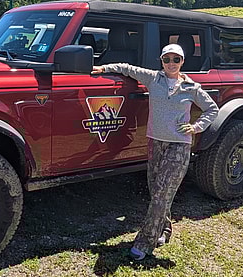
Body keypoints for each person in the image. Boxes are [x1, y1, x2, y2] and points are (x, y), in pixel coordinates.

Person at [92, 43, 219, 261]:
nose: (171, 63)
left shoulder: (191, 87)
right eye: (167, 59)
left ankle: (145, 242)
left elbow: (212, 109)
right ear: (161, 61)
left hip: (179, 146)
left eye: (176, 60)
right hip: (155, 143)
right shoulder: (153, 79)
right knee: (158, 192)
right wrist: (104, 68)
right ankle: (165, 229)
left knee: (162, 195)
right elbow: (127, 68)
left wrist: (196, 127)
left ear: (182, 62)